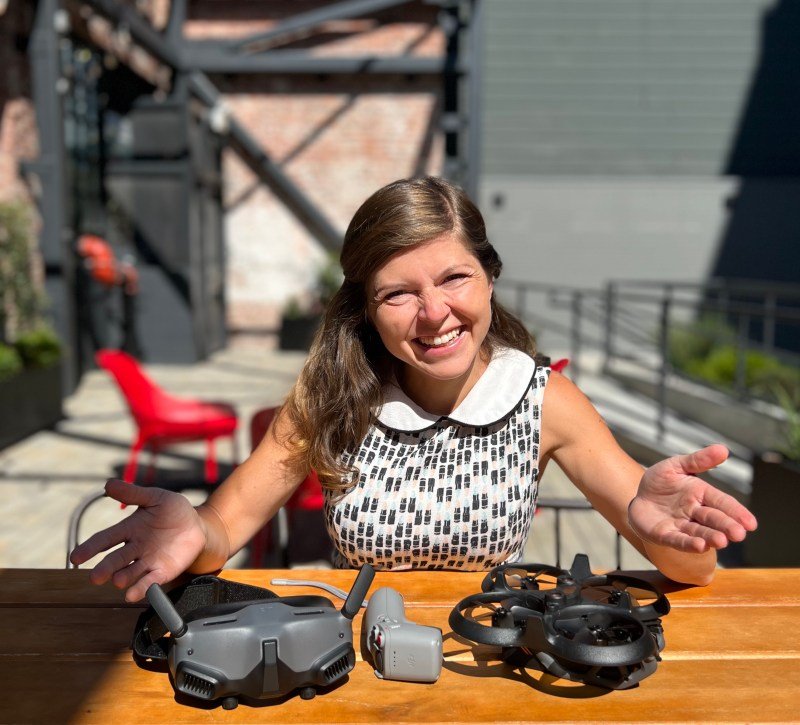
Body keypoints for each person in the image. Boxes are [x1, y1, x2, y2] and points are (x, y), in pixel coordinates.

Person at [70, 176, 757, 602]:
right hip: (353, 674)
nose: (435, 314)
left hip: (496, 665)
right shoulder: (331, 396)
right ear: (366, 306)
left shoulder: (542, 397)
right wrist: (194, 528)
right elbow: (225, 527)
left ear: (489, 277)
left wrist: (657, 527)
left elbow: (689, 574)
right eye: (399, 292)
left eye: (455, 279)